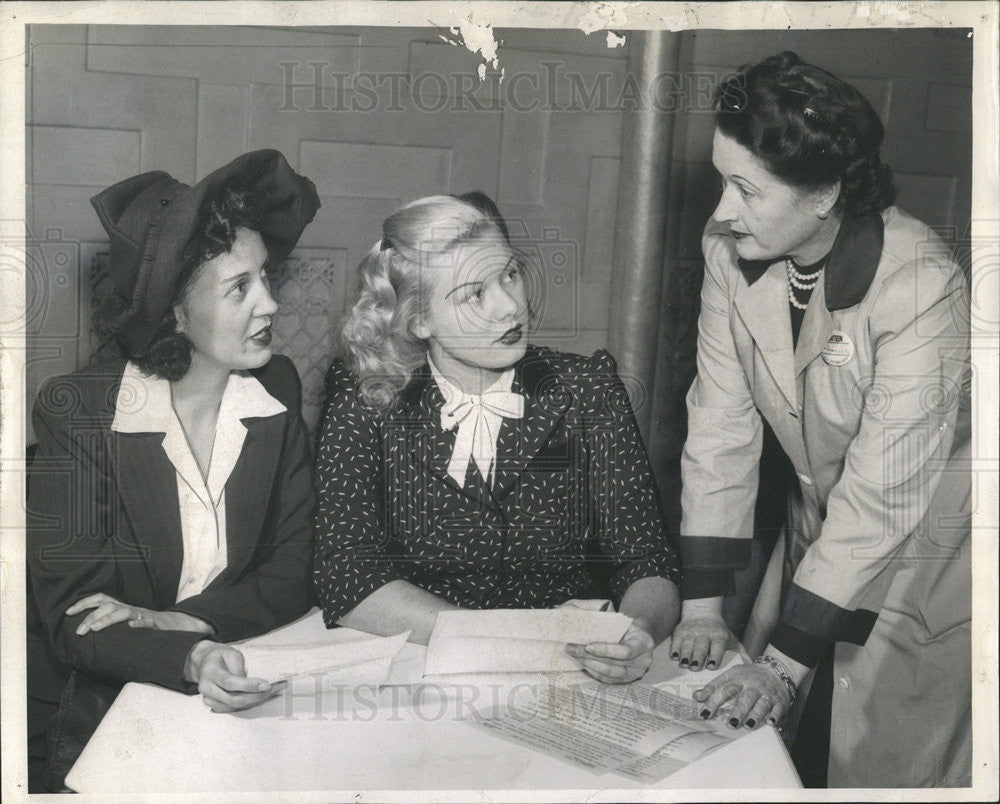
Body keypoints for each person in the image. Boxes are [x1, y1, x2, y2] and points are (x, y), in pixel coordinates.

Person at [669, 52, 971, 787]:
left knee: (885, 761)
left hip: (931, 549)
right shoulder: (729, 251)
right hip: (822, 525)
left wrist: (779, 663)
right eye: (721, 181)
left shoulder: (921, 284)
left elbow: (883, 496)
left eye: (745, 189)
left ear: (826, 194)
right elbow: (719, 424)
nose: (720, 212)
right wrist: (704, 607)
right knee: (782, 753)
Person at [27, 150, 321, 791]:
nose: (271, 303)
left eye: (265, 276)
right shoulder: (76, 412)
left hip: (242, 692)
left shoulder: (276, 391)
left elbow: (293, 570)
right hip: (99, 718)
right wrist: (190, 658)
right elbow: (76, 618)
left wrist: (187, 621)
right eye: (239, 287)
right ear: (173, 313)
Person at [313, 194, 680, 684]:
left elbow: (647, 559)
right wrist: (510, 635)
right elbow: (347, 572)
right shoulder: (365, 396)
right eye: (474, 294)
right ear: (420, 320)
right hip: (423, 670)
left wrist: (638, 632)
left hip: (572, 675)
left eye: (509, 274)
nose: (511, 306)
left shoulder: (587, 387)